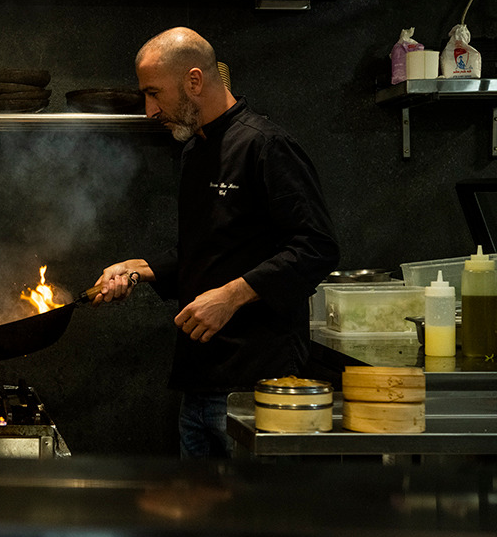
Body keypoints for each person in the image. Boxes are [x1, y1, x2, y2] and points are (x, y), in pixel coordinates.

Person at [94, 27, 340, 459]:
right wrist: (139, 268)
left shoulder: (266, 145)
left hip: (257, 385)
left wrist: (231, 296)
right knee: (201, 523)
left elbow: (316, 247)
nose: (150, 110)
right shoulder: (194, 150)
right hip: (198, 382)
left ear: (194, 81)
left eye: (154, 94)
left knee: (252, 523)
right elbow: (206, 251)